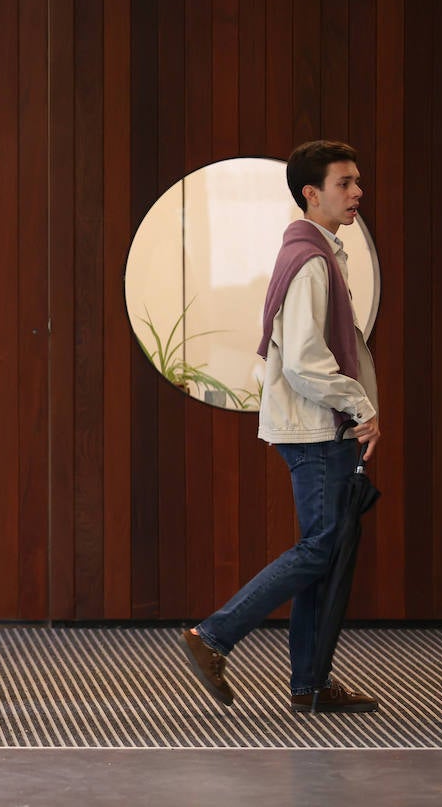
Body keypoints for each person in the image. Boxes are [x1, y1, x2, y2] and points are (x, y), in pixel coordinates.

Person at [181, 140, 381, 714]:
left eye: (357, 181)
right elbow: (302, 361)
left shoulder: (317, 251)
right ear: (312, 194)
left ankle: (310, 684)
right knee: (321, 548)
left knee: (328, 551)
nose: (357, 192)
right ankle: (214, 635)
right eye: (345, 183)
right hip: (318, 429)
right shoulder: (312, 260)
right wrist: (360, 405)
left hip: (322, 427)